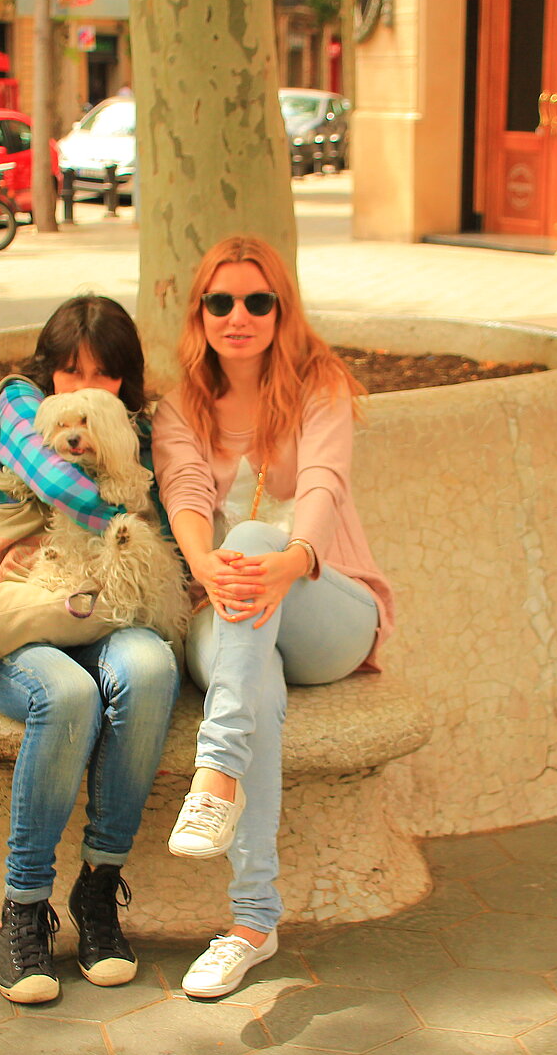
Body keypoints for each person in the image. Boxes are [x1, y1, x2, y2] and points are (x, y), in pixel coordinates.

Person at [152, 235, 393, 999]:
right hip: (231, 614)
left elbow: (323, 484)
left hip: (328, 609)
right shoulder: (181, 406)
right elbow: (185, 492)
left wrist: (292, 559)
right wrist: (203, 564)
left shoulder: (320, 384)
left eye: (258, 301)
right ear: (200, 313)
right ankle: (253, 922)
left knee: (256, 539)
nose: (239, 316)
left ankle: (216, 772)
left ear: (282, 310)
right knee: (251, 679)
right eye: (220, 301)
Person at [0, 295, 179, 1005]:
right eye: (72, 371)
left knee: (150, 667)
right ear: (49, 370)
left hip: (100, 614)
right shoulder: (21, 402)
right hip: (9, 613)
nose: (86, 388)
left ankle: (98, 891)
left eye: (104, 375)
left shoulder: (141, 430)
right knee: (69, 696)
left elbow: (168, 528)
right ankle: (23, 908)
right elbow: (58, 486)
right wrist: (132, 519)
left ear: (127, 379)